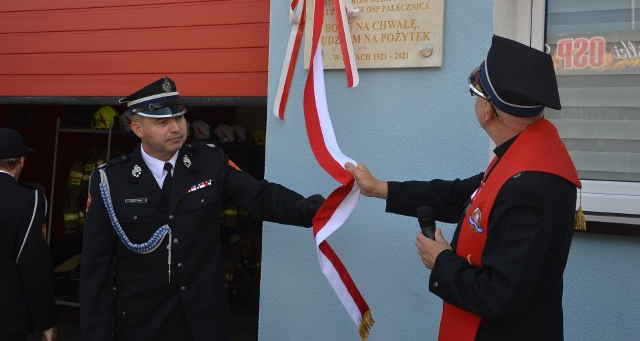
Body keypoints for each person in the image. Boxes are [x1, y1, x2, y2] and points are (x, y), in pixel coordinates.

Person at [346, 35, 582, 340]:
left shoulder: (528, 186)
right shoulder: (526, 159)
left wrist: (441, 260)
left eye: (476, 94)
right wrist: (380, 188)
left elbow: (501, 296)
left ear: (489, 111)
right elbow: (459, 195)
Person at [80, 77, 324, 341]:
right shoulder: (110, 181)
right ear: (137, 128)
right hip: (144, 325)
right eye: (162, 122)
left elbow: (258, 195)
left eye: (179, 118)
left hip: (205, 321)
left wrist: (306, 209)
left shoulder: (209, 161)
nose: (175, 128)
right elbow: (96, 270)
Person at [0, 128, 58, 341]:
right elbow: (33, 264)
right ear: (21, 161)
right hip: (7, 317)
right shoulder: (30, 199)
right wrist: (47, 320)